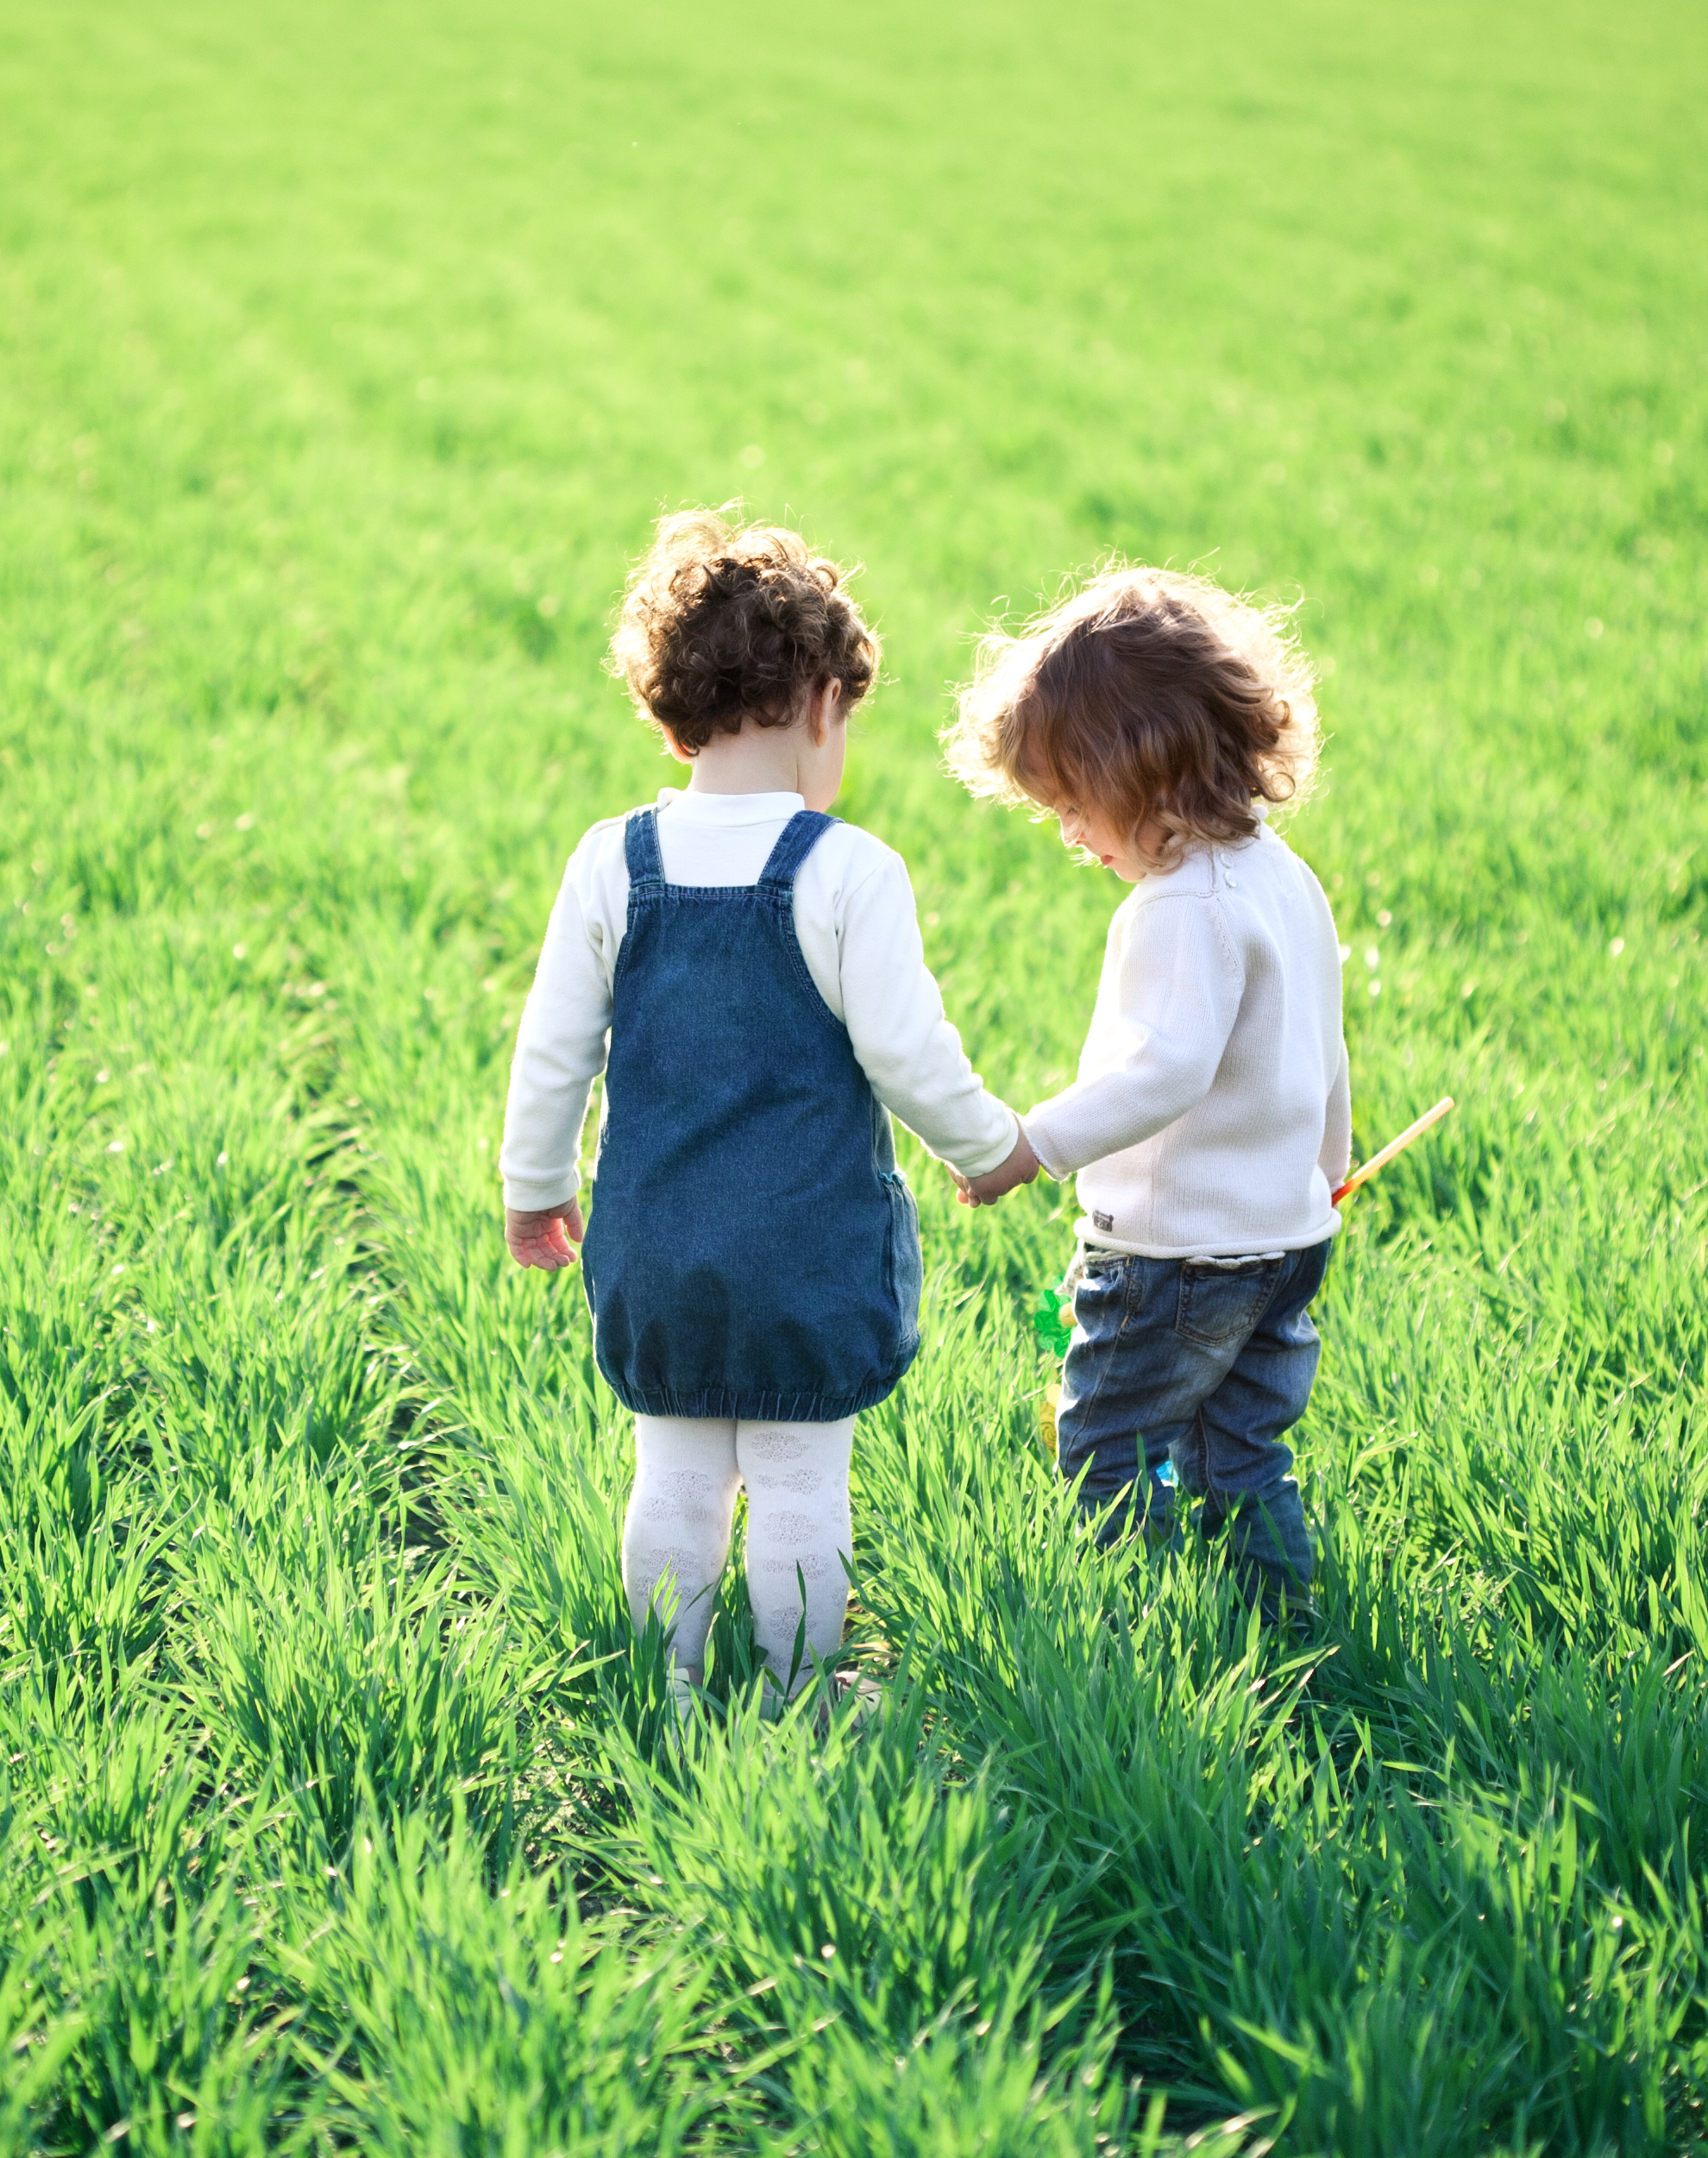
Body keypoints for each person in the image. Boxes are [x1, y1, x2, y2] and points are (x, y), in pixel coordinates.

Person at [501, 509, 1022, 1714]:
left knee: (673, 1474)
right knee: (798, 1476)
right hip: (805, 1250)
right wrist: (987, 1148)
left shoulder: (610, 858)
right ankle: (798, 1689)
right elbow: (908, 1051)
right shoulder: (845, 869)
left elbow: (553, 1049)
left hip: (659, 1240)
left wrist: (536, 1187)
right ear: (820, 705)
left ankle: (665, 1686)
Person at [946, 566, 1347, 1617]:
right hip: (1283, 1241)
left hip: (1177, 1257)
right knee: (1240, 1452)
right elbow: (1321, 1042)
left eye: (1078, 806)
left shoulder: (1184, 906)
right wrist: (1324, 1172)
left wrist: (1032, 1143)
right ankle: (1282, 1626)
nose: (1073, 835)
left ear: (1145, 771)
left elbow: (1165, 1070)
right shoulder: (1280, 875)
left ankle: (1136, 1628)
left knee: (1103, 1446)